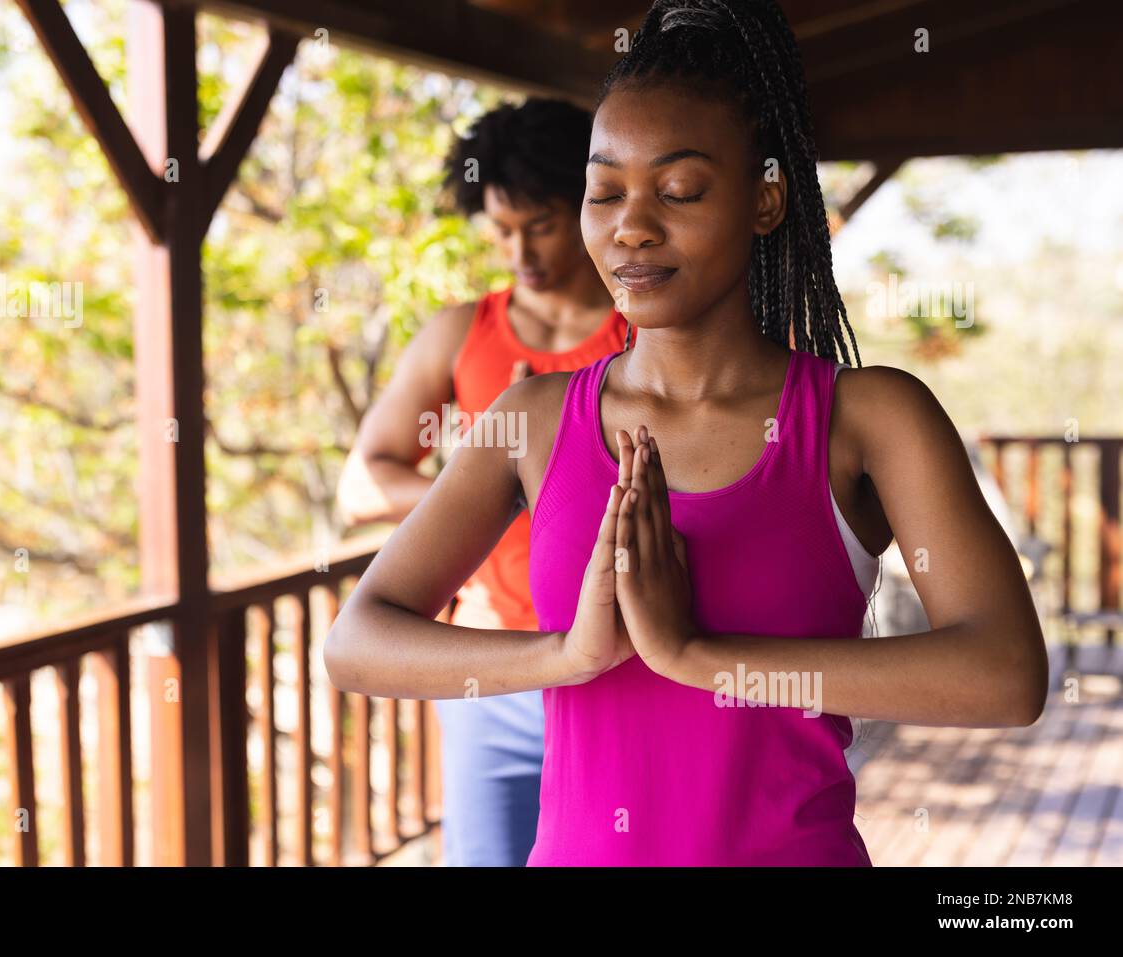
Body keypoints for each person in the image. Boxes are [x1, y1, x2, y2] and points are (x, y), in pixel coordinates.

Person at [326, 0, 1047, 866]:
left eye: (679, 191)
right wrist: (567, 654)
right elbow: (359, 641)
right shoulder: (532, 420)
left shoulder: (869, 418)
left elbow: (1005, 674)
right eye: (604, 191)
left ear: (767, 198)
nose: (631, 225)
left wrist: (701, 656)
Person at [335, 97, 633, 866]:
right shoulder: (460, 333)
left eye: (539, 223)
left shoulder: (647, 333)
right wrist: (489, 490)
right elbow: (363, 484)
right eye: (501, 229)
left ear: (588, 203)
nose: (519, 249)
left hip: (626, 667)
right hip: (491, 671)